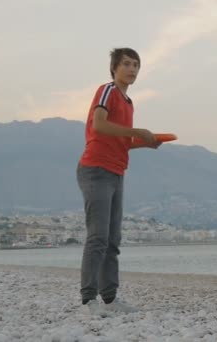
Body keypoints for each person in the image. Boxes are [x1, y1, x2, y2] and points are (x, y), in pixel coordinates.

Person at [77, 47, 160, 314]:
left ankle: (110, 299)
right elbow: (99, 125)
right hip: (95, 169)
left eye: (136, 65)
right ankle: (88, 300)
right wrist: (137, 131)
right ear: (114, 67)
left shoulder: (128, 102)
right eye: (126, 64)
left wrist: (144, 143)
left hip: (116, 171)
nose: (132, 69)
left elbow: (121, 139)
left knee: (113, 240)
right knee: (98, 237)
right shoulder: (108, 90)